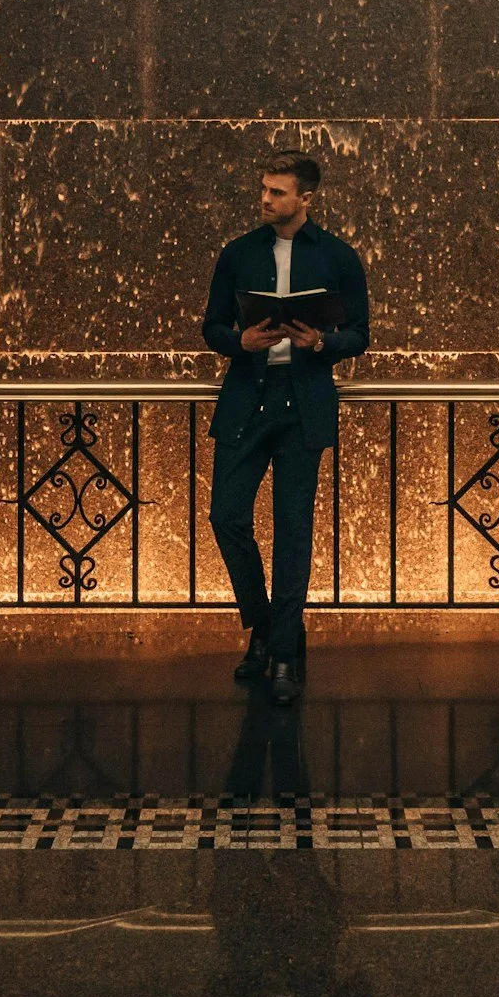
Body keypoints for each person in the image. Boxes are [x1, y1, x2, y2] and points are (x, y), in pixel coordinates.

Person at [201, 150, 370, 707]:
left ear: (306, 198)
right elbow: (212, 327)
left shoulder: (339, 258)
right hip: (247, 400)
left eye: (277, 192)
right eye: (264, 189)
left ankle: (281, 658)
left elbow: (359, 334)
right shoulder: (238, 254)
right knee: (226, 515)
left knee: (294, 527)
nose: (265, 199)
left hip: (303, 403)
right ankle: (272, 627)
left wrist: (321, 342)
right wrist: (239, 341)